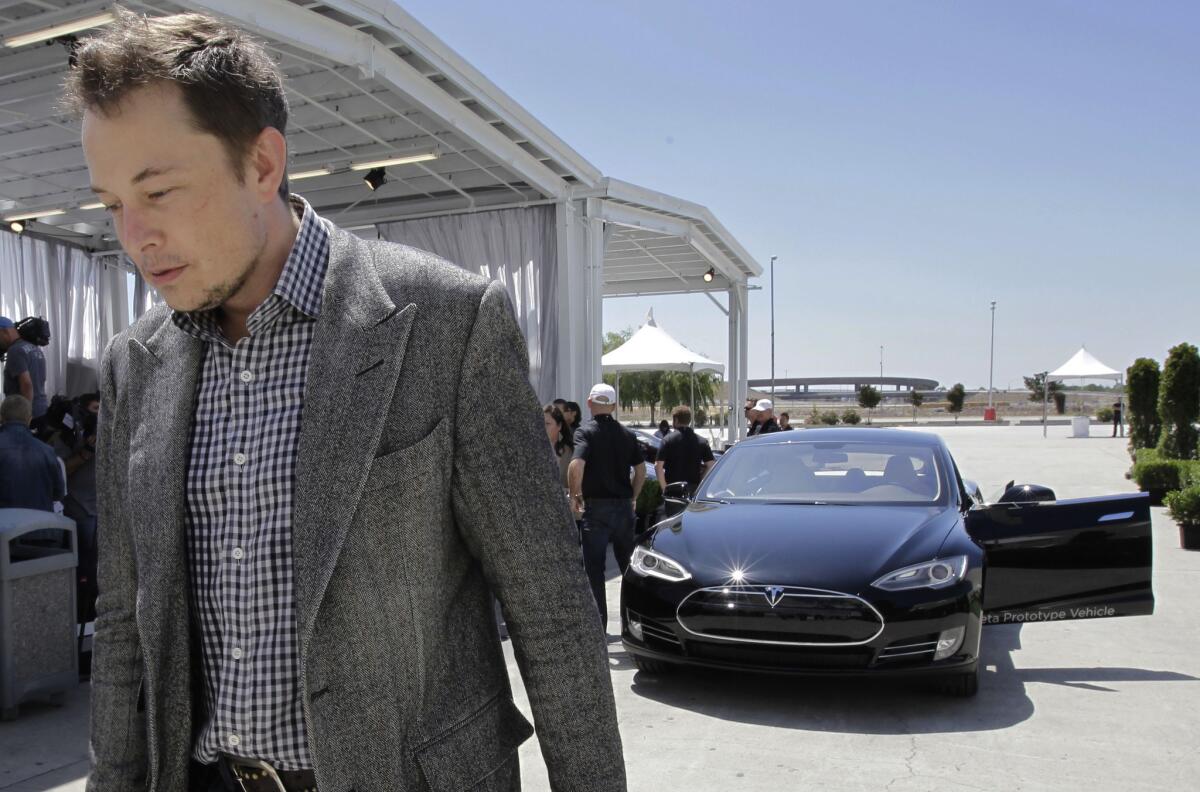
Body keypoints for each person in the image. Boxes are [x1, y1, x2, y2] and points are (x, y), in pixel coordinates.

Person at [68, 11, 623, 792]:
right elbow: (127, 618)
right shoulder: (136, 362)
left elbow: (550, 610)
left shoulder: (445, 323)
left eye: (158, 191)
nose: (135, 234)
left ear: (262, 164)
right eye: (111, 203)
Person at [568, 383, 645, 628]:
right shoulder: (627, 434)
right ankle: (634, 622)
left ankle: (598, 627)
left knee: (594, 570)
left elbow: (576, 464)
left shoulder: (585, 432)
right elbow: (641, 470)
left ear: (589, 403)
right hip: (623, 507)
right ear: (613, 406)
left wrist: (574, 495)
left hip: (597, 508)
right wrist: (633, 497)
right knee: (629, 569)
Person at [0, 395, 64, 511]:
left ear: (1, 417)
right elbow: (58, 494)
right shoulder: (47, 451)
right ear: (29, 419)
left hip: (4, 526)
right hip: (41, 525)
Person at [654, 406, 715, 511]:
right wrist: (700, 481)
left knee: (674, 524)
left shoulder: (667, 440)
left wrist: (665, 489)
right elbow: (711, 465)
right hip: (694, 489)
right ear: (689, 420)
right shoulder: (701, 441)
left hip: (673, 490)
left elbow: (658, 466)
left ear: (676, 420)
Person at [0, 316, 49, 420]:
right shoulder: (33, 348)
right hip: (41, 409)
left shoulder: (15, 350)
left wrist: (25, 417)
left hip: (24, 414)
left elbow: (26, 385)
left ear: (4, 332)